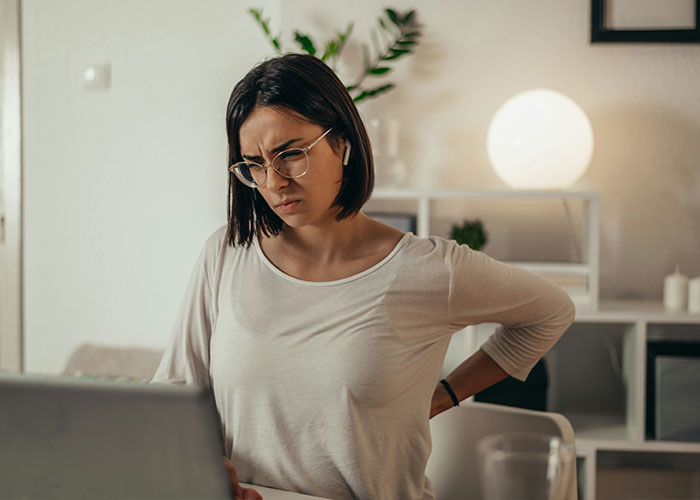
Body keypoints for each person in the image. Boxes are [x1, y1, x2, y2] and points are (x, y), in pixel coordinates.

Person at [151, 53, 575, 500]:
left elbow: (551, 312)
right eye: (253, 164)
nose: (274, 182)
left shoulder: (428, 270)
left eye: (290, 155)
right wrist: (204, 467)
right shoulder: (226, 254)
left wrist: (444, 394)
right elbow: (174, 395)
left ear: (343, 143)